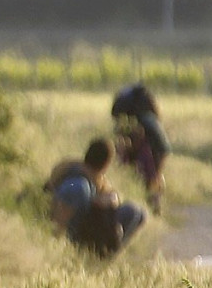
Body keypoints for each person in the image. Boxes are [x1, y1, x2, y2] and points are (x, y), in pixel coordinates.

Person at [48, 139, 146, 257]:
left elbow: (113, 196)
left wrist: (109, 200)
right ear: (106, 164)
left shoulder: (98, 179)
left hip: (92, 228)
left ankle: (107, 257)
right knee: (81, 189)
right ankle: (68, 250)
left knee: (137, 212)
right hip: (75, 230)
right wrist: (94, 201)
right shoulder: (76, 180)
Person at [112, 83, 169, 212]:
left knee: (152, 178)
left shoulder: (138, 121)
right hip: (158, 148)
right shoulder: (148, 118)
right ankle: (154, 207)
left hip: (154, 148)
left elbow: (134, 141)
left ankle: (154, 206)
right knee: (155, 177)